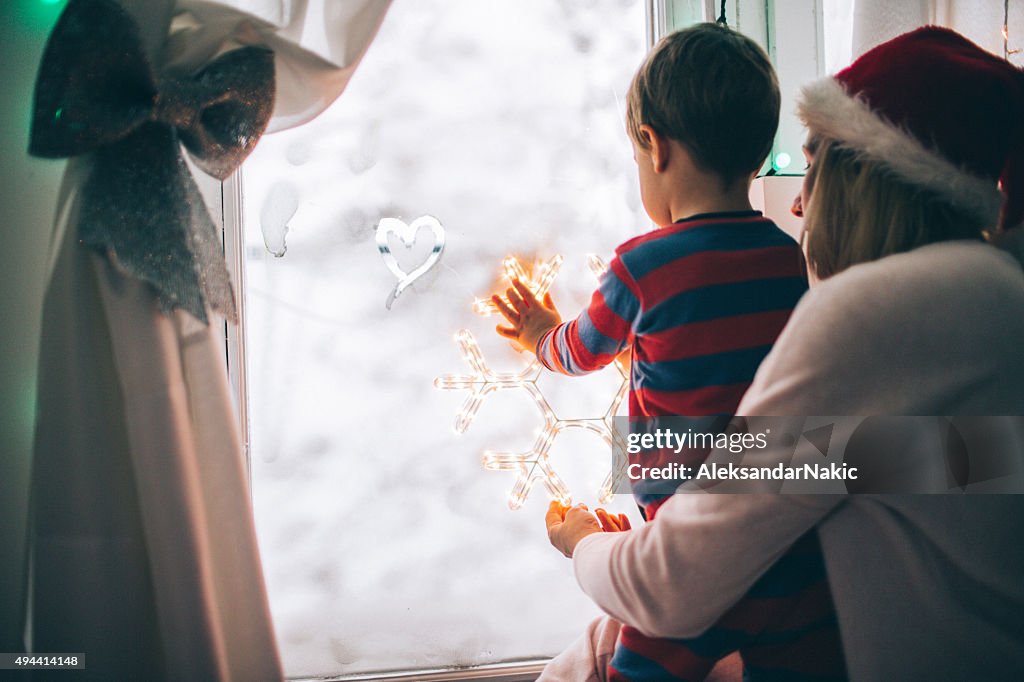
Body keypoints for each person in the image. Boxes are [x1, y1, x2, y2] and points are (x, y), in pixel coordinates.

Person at [544, 26, 1024, 681]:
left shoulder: (877, 312)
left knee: (603, 653)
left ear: (866, 173)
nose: (798, 201)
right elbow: (863, 464)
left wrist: (580, 541)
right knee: (601, 644)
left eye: (815, 160)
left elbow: (671, 588)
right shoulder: (991, 296)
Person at [494, 23, 845, 681]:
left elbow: (580, 352)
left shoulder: (641, 267)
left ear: (653, 148)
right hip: (781, 552)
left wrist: (540, 332)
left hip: (684, 564)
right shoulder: (785, 259)